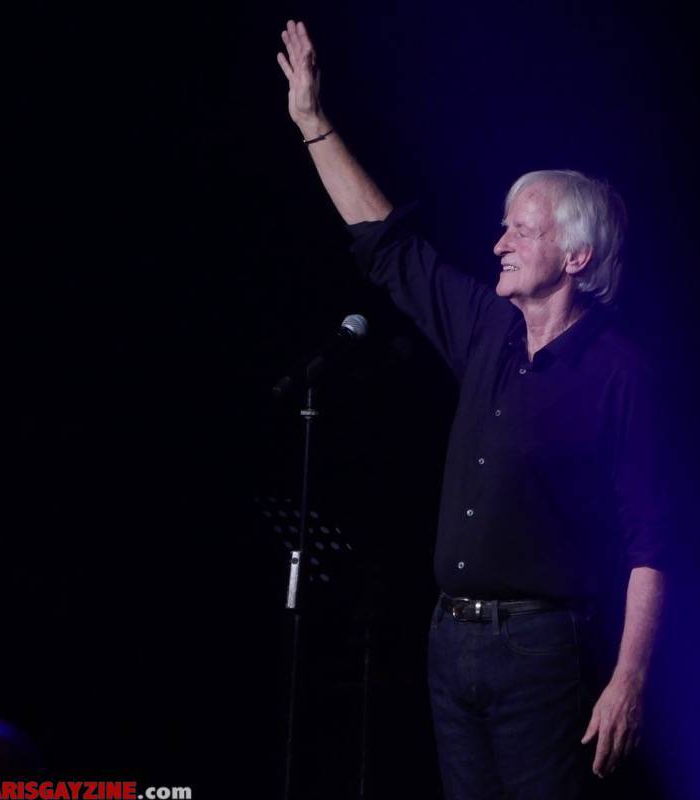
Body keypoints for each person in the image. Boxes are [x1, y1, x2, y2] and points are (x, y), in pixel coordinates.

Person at [277, 20, 668, 799]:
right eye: (503, 227)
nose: (499, 244)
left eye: (521, 230)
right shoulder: (488, 327)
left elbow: (651, 542)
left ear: (576, 256)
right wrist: (314, 124)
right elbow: (390, 248)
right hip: (450, 640)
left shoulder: (619, 373)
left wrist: (628, 680)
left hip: (543, 653)